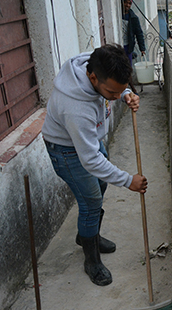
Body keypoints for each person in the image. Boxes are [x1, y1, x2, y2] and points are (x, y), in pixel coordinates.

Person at [42, 44, 148, 286]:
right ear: (92, 78)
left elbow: (112, 88)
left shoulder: (95, 63)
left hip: (89, 139)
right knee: (91, 201)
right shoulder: (76, 109)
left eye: (118, 91)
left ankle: (89, 235)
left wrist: (125, 94)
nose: (114, 96)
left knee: (100, 185)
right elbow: (89, 160)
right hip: (67, 150)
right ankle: (92, 260)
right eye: (111, 92)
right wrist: (127, 180)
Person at [122, 0, 146, 65]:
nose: (127, 5)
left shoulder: (133, 18)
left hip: (128, 47)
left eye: (129, 3)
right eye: (125, 2)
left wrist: (142, 49)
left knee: (128, 66)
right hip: (119, 47)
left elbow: (139, 33)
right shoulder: (118, 15)